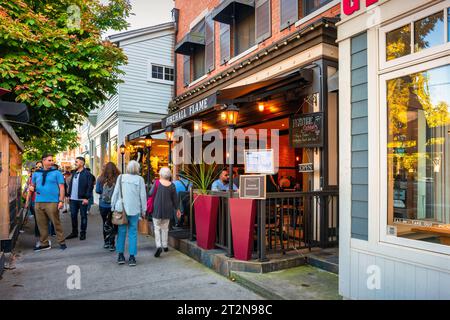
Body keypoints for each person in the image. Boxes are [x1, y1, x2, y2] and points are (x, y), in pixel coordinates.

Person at [111, 160, 146, 266]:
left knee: (121, 232)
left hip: (121, 209)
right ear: (137, 169)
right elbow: (143, 196)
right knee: (133, 233)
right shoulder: (140, 179)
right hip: (134, 209)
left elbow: (116, 192)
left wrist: (112, 206)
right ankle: (132, 257)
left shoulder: (120, 177)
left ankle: (120, 255)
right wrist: (143, 210)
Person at [29, 153, 67, 251]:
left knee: (56, 223)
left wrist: (61, 201)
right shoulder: (36, 173)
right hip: (38, 202)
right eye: (49, 160)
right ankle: (44, 243)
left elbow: (62, 188)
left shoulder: (57, 173)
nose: (51, 162)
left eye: (52, 160)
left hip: (52, 202)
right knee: (41, 224)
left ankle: (61, 242)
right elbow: (32, 186)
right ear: (43, 161)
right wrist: (32, 187)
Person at [149, 167, 181, 258]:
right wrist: (177, 209)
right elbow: (175, 199)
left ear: (161, 174)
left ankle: (159, 246)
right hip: (168, 209)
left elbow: (150, 193)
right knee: (165, 228)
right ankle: (165, 245)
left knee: (157, 228)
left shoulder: (157, 183)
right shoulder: (172, 185)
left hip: (157, 209)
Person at [66, 157, 93, 241]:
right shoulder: (74, 173)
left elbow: (90, 187)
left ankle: (83, 233)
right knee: (73, 216)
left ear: (82, 163)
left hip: (82, 199)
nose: (75, 163)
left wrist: (86, 198)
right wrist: (68, 195)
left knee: (83, 216)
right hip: (73, 199)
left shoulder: (87, 174)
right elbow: (71, 185)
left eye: (76, 162)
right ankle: (74, 232)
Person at [96, 162, 120, 251]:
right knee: (114, 224)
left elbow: (98, 190)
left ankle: (106, 242)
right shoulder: (118, 178)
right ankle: (112, 244)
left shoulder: (100, 178)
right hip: (115, 205)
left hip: (103, 205)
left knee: (105, 223)